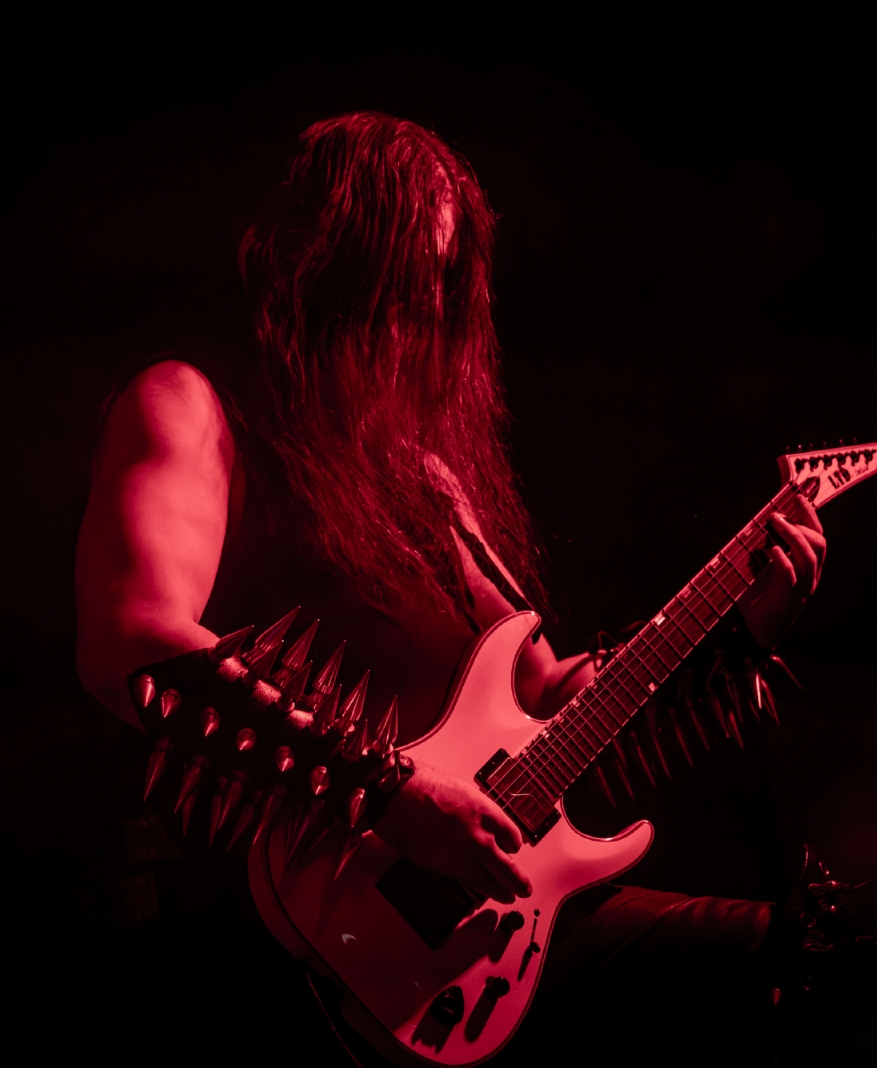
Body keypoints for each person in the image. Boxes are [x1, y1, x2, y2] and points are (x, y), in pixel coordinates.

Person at [74, 112, 828, 1063]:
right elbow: (131, 646)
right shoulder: (193, 407)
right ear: (318, 260)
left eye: (445, 278)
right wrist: (387, 791)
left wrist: (735, 628)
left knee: (827, 951)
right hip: (274, 941)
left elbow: (554, 703)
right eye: (406, 271)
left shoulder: (424, 480)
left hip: (482, 927)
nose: (429, 308)